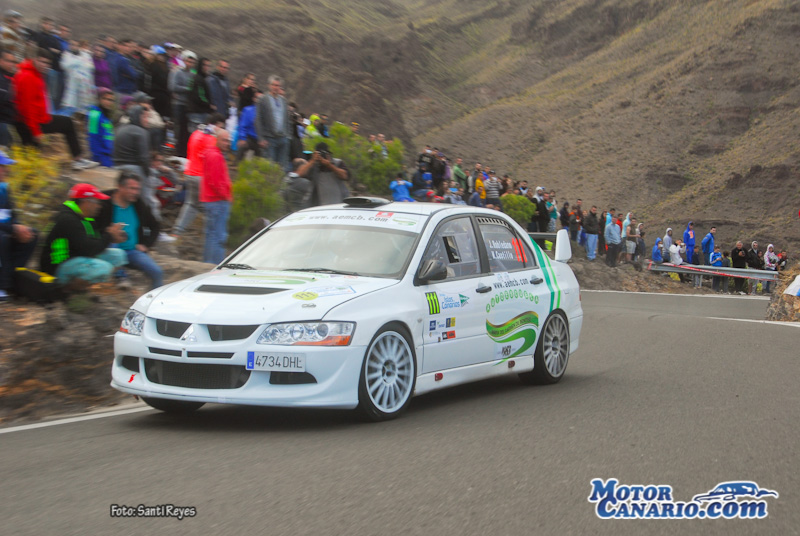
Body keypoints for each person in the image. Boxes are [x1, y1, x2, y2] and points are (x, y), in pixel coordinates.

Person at [13, 49, 97, 170]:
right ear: (34, 60)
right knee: (66, 123)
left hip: (32, 120)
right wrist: (36, 131)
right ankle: (77, 159)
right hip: (31, 122)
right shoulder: (28, 77)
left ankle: (77, 159)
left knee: (31, 156)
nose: (45, 65)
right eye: (42, 62)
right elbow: (27, 107)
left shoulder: (32, 73)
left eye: (47, 63)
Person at [40, 183, 127, 287]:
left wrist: (112, 238)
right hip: (57, 266)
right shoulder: (68, 219)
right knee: (103, 267)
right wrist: (108, 235)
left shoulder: (85, 217)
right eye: (97, 202)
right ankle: (64, 290)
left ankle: (83, 286)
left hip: (76, 256)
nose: (99, 206)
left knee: (118, 255)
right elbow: (89, 249)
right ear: (86, 202)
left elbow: (93, 243)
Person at [95, 172, 163, 290]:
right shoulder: (104, 202)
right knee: (113, 241)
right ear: (120, 187)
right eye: (132, 188)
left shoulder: (138, 204)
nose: (135, 192)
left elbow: (155, 226)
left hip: (132, 251)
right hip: (109, 249)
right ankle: (121, 276)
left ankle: (155, 298)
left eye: (138, 189)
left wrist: (146, 244)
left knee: (157, 272)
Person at [171, 114, 225, 238]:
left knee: (191, 204)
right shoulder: (211, 139)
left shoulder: (196, 133)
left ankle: (177, 231)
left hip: (190, 173)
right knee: (210, 206)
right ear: (217, 124)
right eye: (221, 127)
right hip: (202, 176)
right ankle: (214, 234)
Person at [0, 150, 38, 301]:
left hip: (4, 229)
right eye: (3, 166)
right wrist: (13, 229)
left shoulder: (3, 188)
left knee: (32, 234)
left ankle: (13, 281)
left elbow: (11, 214)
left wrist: (18, 228)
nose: (6, 170)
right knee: (2, 239)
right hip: (2, 233)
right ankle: (3, 285)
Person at [200, 128, 232, 264]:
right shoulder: (216, 156)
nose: (227, 143)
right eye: (224, 140)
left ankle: (208, 263)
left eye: (228, 141)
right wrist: (226, 196)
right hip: (217, 200)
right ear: (217, 140)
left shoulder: (211, 153)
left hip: (212, 200)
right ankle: (215, 265)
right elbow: (216, 182)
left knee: (211, 235)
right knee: (219, 237)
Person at [296, 141, 350, 206]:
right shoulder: (313, 165)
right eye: (320, 154)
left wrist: (329, 165)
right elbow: (299, 174)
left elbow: (345, 176)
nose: (322, 156)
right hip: (319, 206)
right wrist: (312, 161)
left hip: (339, 204)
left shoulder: (338, 162)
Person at [255, 75, 291, 171]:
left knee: (282, 167)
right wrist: (261, 138)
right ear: (269, 85)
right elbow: (258, 119)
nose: (276, 87)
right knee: (270, 167)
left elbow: (287, 119)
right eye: (274, 85)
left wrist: (288, 135)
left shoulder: (283, 100)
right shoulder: (263, 99)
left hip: (283, 138)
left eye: (278, 85)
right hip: (269, 138)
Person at [167, 50, 196, 157]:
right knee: (178, 127)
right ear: (183, 61)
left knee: (185, 128)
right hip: (178, 103)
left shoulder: (192, 74)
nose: (190, 64)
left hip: (187, 104)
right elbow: (173, 86)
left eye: (192, 62)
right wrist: (187, 89)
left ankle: (184, 150)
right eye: (188, 61)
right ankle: (176, 149)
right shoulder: (177, 72)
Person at [113, 105, 150, 180]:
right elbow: (143, 158)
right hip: (134, 170)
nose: (147, 120)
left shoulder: (119, 128)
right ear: (137, 116)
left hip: (116, 168)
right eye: (144, 117)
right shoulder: (141, 132)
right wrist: (148, 174)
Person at [60, 39, 94, 115]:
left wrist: (76, 64)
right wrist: (79, 63)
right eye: (72, 45)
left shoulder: (86, 55)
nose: (74, 47)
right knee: (71, 104)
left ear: (79, 46)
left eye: (76, 45)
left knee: (84, 106)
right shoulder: (66, 55)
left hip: (85, 85)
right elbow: (65, 65)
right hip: (72, 84)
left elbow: (90, 66)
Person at [87, 88, 115, 167]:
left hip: (108, 156)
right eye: (104, 98)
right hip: (101, 158)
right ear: (99, 99)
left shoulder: (106, 117)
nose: (107, 102)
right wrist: (98, 159)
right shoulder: (94, 115)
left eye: (110, 100)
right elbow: (93, 138)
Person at [235, 90, 262, 162]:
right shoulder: (248, 110)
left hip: (261, 139)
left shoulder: (266, 112)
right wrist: (242, 138)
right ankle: (238, 164)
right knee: (242, 146)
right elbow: (243, 125)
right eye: (257, 98)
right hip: (250, 138)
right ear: (254, 98)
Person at [0, 50, 16, 148]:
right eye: (8, 61)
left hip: (7, 122)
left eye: (13, 61)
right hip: (3, 123)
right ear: (1, 61)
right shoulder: (2, 80)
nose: (11, 64)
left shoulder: (8, 77)